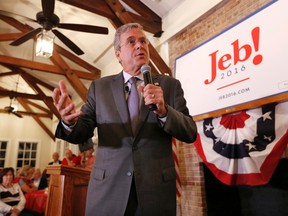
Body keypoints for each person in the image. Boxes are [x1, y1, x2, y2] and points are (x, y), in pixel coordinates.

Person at [53, 23, 197, 216]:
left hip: (155, 192)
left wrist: (164, 112)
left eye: (143, 41)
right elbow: (83, 131)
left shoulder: (169, 85)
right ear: (118, 54)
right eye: (131, 42)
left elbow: (189, 132)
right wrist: (69, 122)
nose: (139, 45)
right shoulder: (100, 87)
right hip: (108, 190)